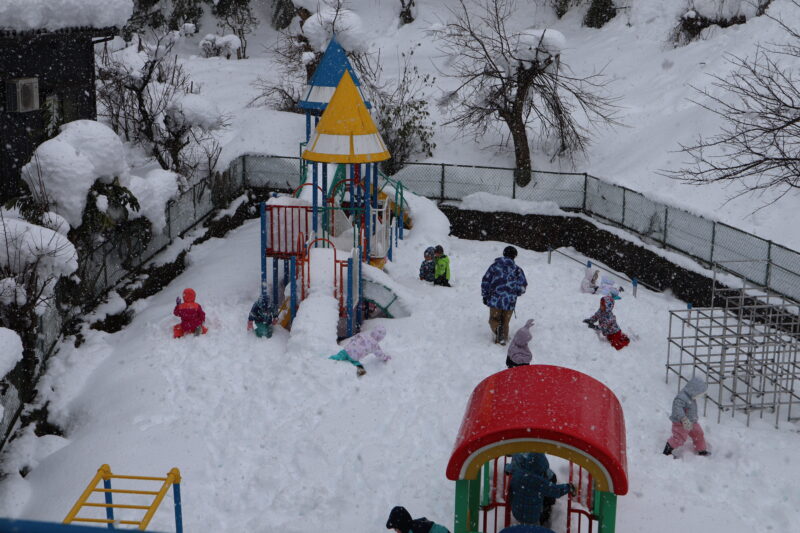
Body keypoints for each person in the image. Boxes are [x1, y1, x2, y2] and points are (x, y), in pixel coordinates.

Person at [505, 453, 574, 527]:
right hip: (532, 517)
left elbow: (510, 468)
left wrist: (506, 467)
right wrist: (568, 487)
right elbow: (556, 491)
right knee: (533, 529)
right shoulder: (538, 482)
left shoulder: (517, 473)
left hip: (517, 511)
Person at [481, 246, 528, 345]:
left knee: (494, 319)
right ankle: (503, 342)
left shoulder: (494, 266)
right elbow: (523, 286)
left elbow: (486, 281)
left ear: (504, 253)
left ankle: (498, 332)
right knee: (505, 322)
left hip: (495, 299)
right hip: (509, 302)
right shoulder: (517, 270)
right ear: (514, 256)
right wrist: (515, 292)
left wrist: (485, 296)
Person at [663, 376, 710, 457]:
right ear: (694, 390)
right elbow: (677, 408)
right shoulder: (681, 398)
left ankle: (701, 450)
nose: (699, 396)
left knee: (698, 434)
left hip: (692, 422)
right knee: (679, 439)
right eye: (699, 394)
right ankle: (667, 450)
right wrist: (683, 419)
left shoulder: (691, 397)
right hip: (681, 423)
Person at [385, 506, 450, 533]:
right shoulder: (411, 527)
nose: (396, 531)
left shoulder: (416, 530)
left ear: (402, 526)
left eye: (396, 529)